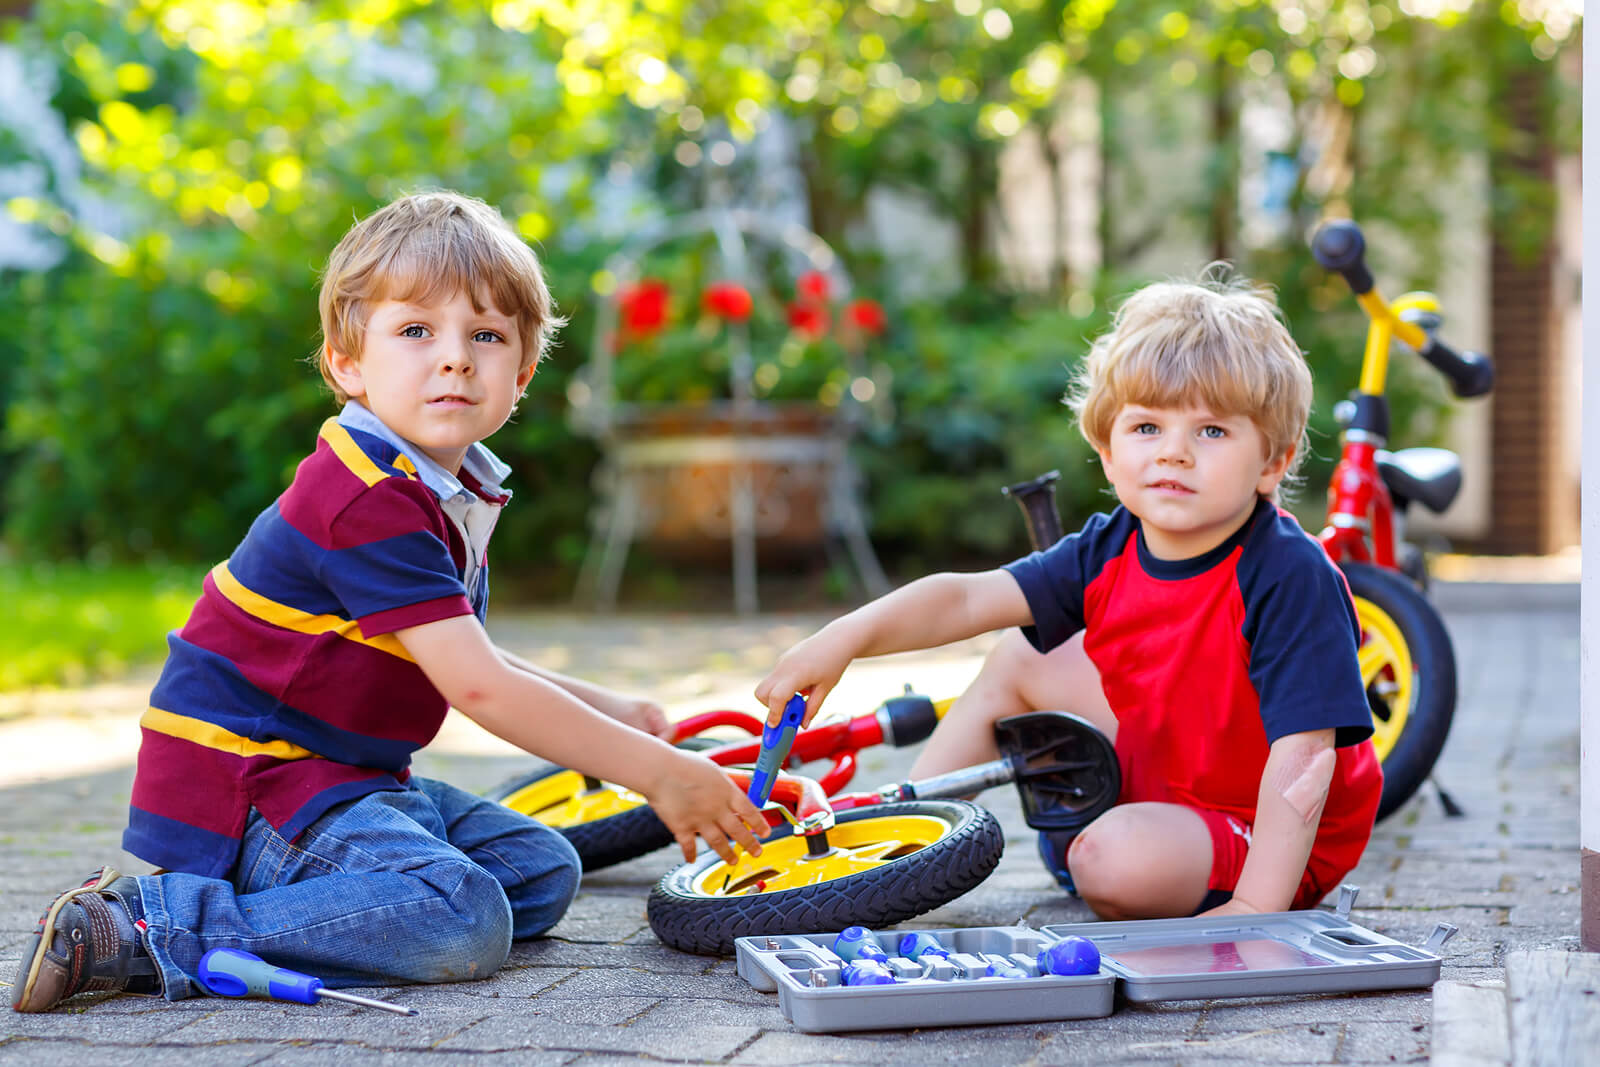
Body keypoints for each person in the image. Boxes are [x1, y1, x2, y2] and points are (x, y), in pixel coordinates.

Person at [14, 190, 767, 1014]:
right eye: (416, 331)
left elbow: (456, 650)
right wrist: (659, 774)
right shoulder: (362, 495)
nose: (455, 358)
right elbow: (477, 686)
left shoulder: (438, 485)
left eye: (486, 335)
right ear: (347, 362)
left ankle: (359, 905)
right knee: (465, 917)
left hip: (345, 776)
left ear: (522, 371)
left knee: (544, 870)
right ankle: (145, 926)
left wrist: (615, 712)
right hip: (259, 788)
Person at [756, 271, 1381, 922]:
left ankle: (1185, 870)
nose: (1174, 453)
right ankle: (899, 841)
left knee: (1111, 860)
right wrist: (844, 639)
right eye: (1147, 427)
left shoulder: (1287, 573)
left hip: (1261, 829)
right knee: (1021, 654)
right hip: (1166, 765)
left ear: (1273, 462)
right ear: (1108, 451)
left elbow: (1306, 757)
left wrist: (1257, 908)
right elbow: (966, 601)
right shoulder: (1110, 545)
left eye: (1212, 432)